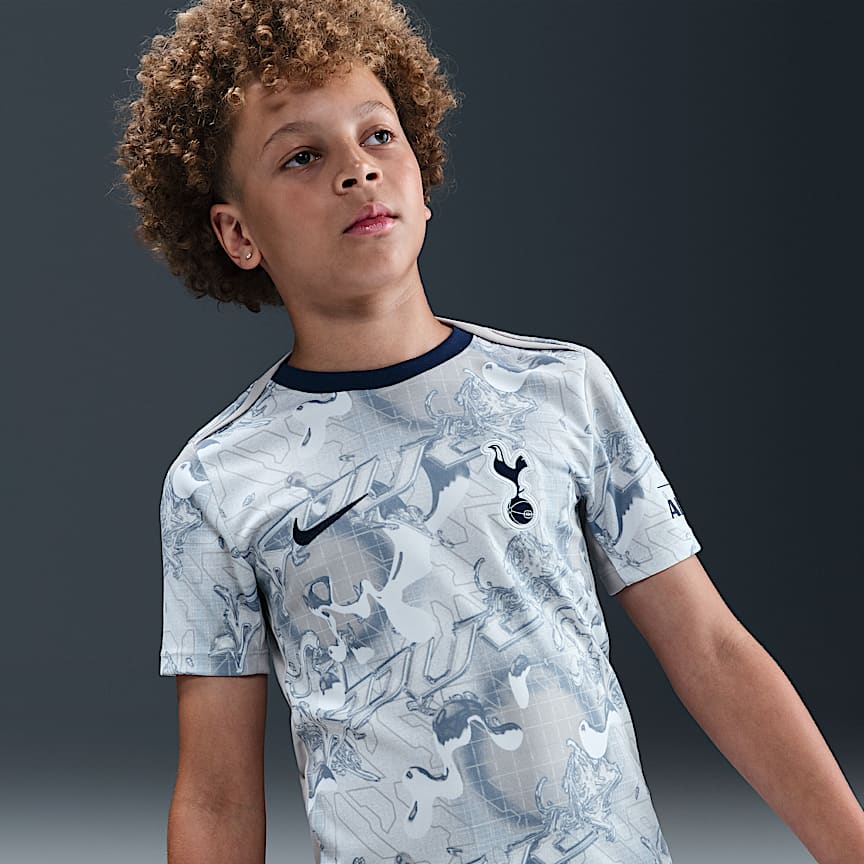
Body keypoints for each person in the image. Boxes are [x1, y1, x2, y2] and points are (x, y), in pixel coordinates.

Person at [117, 1, 864, 862]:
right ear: (237, 232)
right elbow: (215, 797)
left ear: (421, 173)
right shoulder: (218, 480)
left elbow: (712, 650)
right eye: (302, 156)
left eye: (378, 136)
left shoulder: (561, 390)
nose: (357, 170)